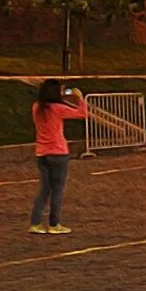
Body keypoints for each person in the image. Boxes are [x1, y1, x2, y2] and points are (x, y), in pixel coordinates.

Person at [30, 79, 88, 234]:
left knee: (45, 189)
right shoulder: (57, 109)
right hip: (58, 152)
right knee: (57, 190)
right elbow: (83, 113)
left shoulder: (36, 107)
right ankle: (54, 224)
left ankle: (35, 223)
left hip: (42, 152)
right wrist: (79, 98)